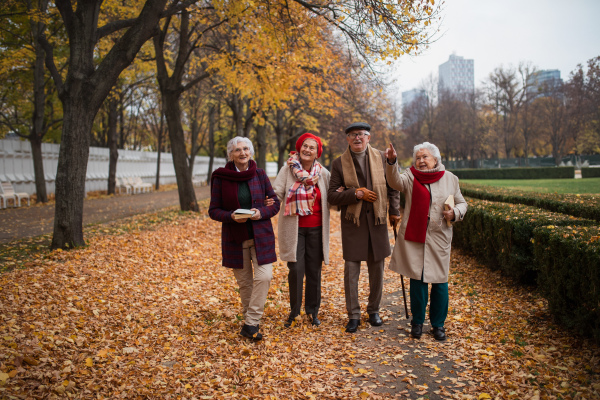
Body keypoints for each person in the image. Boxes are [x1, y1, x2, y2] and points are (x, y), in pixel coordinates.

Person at [384, 141, 467, 341]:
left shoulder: (450, 179)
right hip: (415, 236)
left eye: (425, 157)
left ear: (435, 159)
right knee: (417, 279)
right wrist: (392, 161)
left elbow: (462, 203)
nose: (421, 161)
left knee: (440, 282)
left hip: (439, 237)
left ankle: (438, 325)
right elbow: (394, 182)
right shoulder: (410, 176)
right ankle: (417, 323)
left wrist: (455, 212)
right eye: (418, 158)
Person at [327, 122, 401, 333]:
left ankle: (374, 310)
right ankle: (353, 315)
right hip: (353, 223)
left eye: (361, 134)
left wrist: (394, 210)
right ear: (347, 139)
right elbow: (332, 196)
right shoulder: (339, 163)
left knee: (377, 269)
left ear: (368, 137)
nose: (357, 138)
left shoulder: (382, 157)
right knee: (351, 271)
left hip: (376, 222)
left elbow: (393, 186)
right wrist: (355, 194)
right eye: (352, 135)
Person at [208, 136, 280, 341]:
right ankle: (252, 325)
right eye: (237, 150)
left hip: (261, 236)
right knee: (246, 284)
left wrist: (261, 212)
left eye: (246, 148)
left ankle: (250, 322)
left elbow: (274, 203)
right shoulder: (221, 177)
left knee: (265, 276)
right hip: (235, 238)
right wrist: (230, 216)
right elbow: (213, 210)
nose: (242, 153)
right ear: (230, 154)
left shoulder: (259, 174)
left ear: (251, 152)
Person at [273, 133, 331, 328]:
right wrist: (267, 203)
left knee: (314, 271)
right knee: (296, 270)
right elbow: (276, 193)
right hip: (294, 228)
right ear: (299, 148)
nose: (307, 150)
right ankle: (295, 311)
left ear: (317, 153)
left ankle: (312, 312)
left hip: (316, 228)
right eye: (304, 146)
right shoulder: (287, 169)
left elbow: (332, 195)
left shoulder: (323, 174)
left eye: (311, 147)